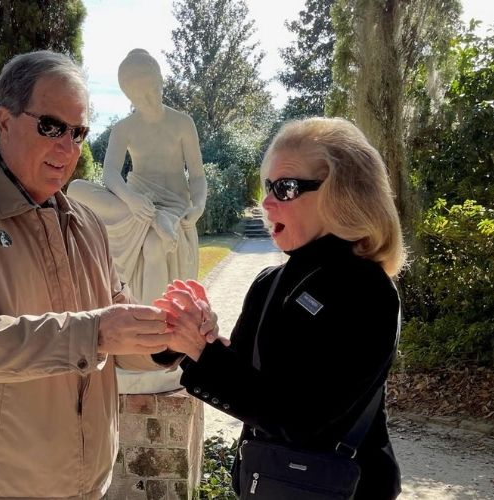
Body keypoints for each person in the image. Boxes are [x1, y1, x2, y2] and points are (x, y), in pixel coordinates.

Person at [0, 50, 206, 500]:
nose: (68, 147)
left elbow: (115, 338)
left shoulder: (88, 223)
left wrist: (166, 340)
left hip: (84, 484)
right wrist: (94, 333)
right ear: (4, 121)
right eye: (51, 126)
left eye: (78, 132)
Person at [157, 117, 405, 499]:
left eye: (286, 188)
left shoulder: (369, 291)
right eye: (267, 186)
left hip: (346, 488)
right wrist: (190, 334)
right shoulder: (269, 283)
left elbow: (302, 419)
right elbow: (244, 377)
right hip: (267, 482)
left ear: (344, 193)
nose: (266, 202)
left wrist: (201, 352)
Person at [68, 48, 207, 306]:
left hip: (173, 206)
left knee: (154, 247)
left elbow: (197, 175)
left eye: (154, 90)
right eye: (141, 96)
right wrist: (131, 199)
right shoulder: (124, 128)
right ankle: (156, 219)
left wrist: (197, 206)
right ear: (129, 97)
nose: (150, 99)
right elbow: (110, 173)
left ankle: (154, 322)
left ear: (161, 82)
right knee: (75, 188)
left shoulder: (182, 123)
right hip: (136, 205)